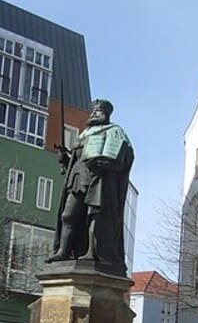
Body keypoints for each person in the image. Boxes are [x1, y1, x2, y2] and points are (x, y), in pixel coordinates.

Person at [46, 99, 134, 275]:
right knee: (68, 214)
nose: (94, 113)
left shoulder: (115, 131)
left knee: (96, 216)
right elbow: (78, 157)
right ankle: (64, 251)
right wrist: (66, 158)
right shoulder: (85, 133)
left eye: (99, 110)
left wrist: (106, 163)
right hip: (78, 177)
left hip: (99, 178)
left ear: (107, 113)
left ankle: (93, 252)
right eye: (93, 110)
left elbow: (124, 156)